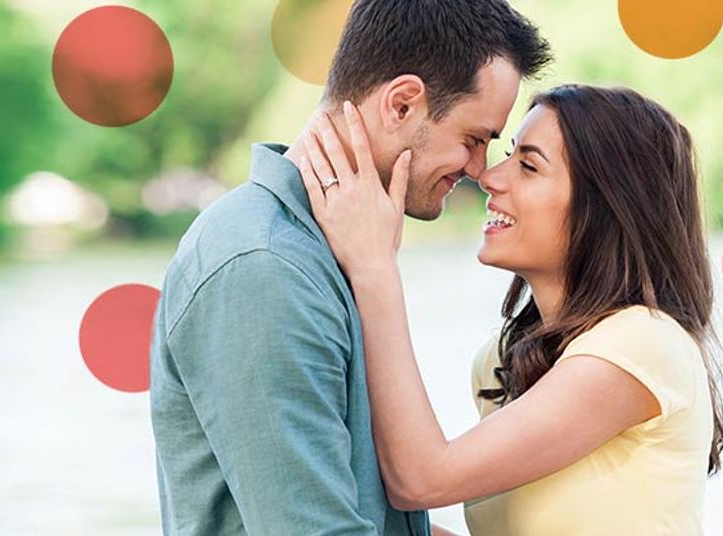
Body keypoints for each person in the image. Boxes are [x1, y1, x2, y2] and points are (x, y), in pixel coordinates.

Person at [148, 0, 550, 535]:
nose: (480, 171)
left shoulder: (335, 249)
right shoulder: (265, 266)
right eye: (474, 139)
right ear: (402, 104)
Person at [296, 85, 723, 535]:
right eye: (509, 155)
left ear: (607, 205)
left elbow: (420, 479)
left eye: (529, 166)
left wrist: (374, 265)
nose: (490, 177)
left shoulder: (643, 344)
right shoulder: (501, 362)